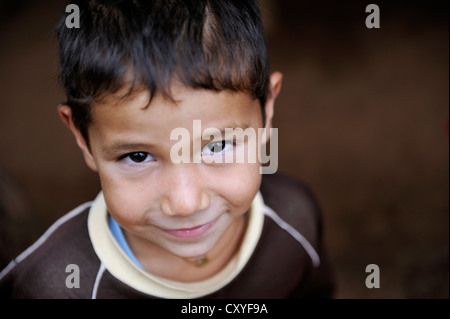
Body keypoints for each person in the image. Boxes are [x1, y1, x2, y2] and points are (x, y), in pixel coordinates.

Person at [0, 0, 335, 298]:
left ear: (267, 109)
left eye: (217, 145)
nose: (185, 203)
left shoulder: (295, 223)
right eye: (137, 156)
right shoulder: (48, 286)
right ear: (82, 137)